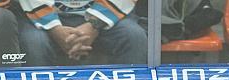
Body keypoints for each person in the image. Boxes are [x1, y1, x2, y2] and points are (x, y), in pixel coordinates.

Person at [16, 0, 147, 66]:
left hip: (107, 16)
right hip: (43, 16)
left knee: (134, 36)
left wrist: (95, 24)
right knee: (33, 42)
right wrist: (53, 27)